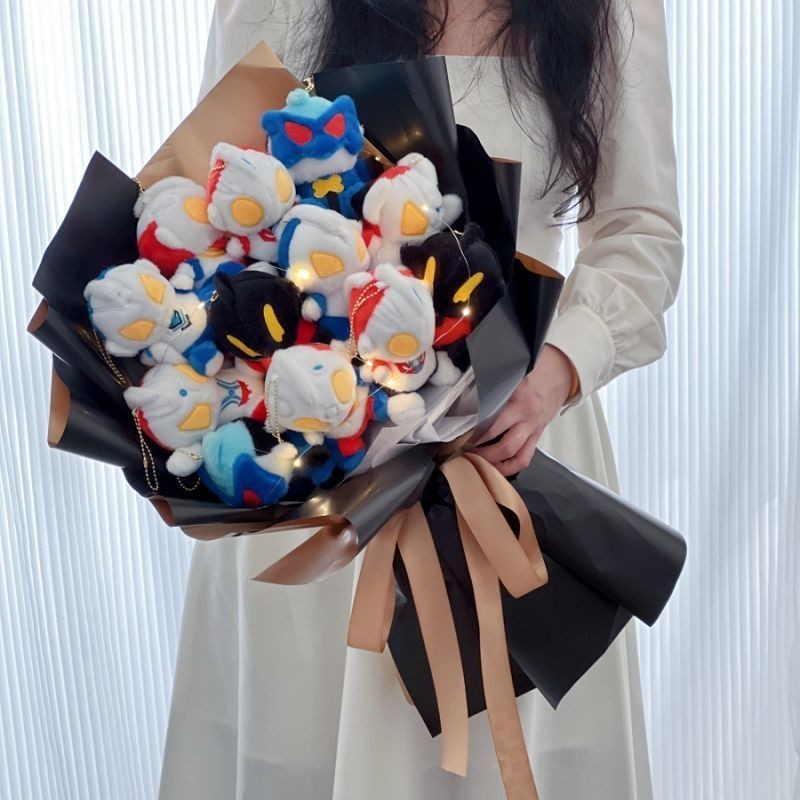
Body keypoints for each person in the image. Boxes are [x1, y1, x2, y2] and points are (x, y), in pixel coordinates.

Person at [159, 0, 684, 797]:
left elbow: (642, 232)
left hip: (511, 451)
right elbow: (213, 203)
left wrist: (557, 369)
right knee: (297, 744)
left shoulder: (611, 12)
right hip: (307, 456)